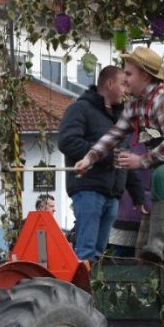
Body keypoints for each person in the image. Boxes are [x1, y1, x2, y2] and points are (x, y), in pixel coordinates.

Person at [76, 47, 164, 262]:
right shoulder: (135, 105)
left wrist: (141, 161)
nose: (125, 78)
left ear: (145, 75)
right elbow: (114, 135)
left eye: (129, 73)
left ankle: (155, 246)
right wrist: (89, 158)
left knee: (163, 175)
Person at [57, 65, 141, 261]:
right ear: (110, 83)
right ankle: (82, 289)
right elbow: (67, 141)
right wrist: (106, 157)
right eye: (123, 84)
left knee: (99, 253)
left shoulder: (121, 118)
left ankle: (92, 288)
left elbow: (125, 155)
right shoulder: (80, 109)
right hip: (88, 189)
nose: (126, 90)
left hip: (112, 193)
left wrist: (137, 195)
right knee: (86, 252)